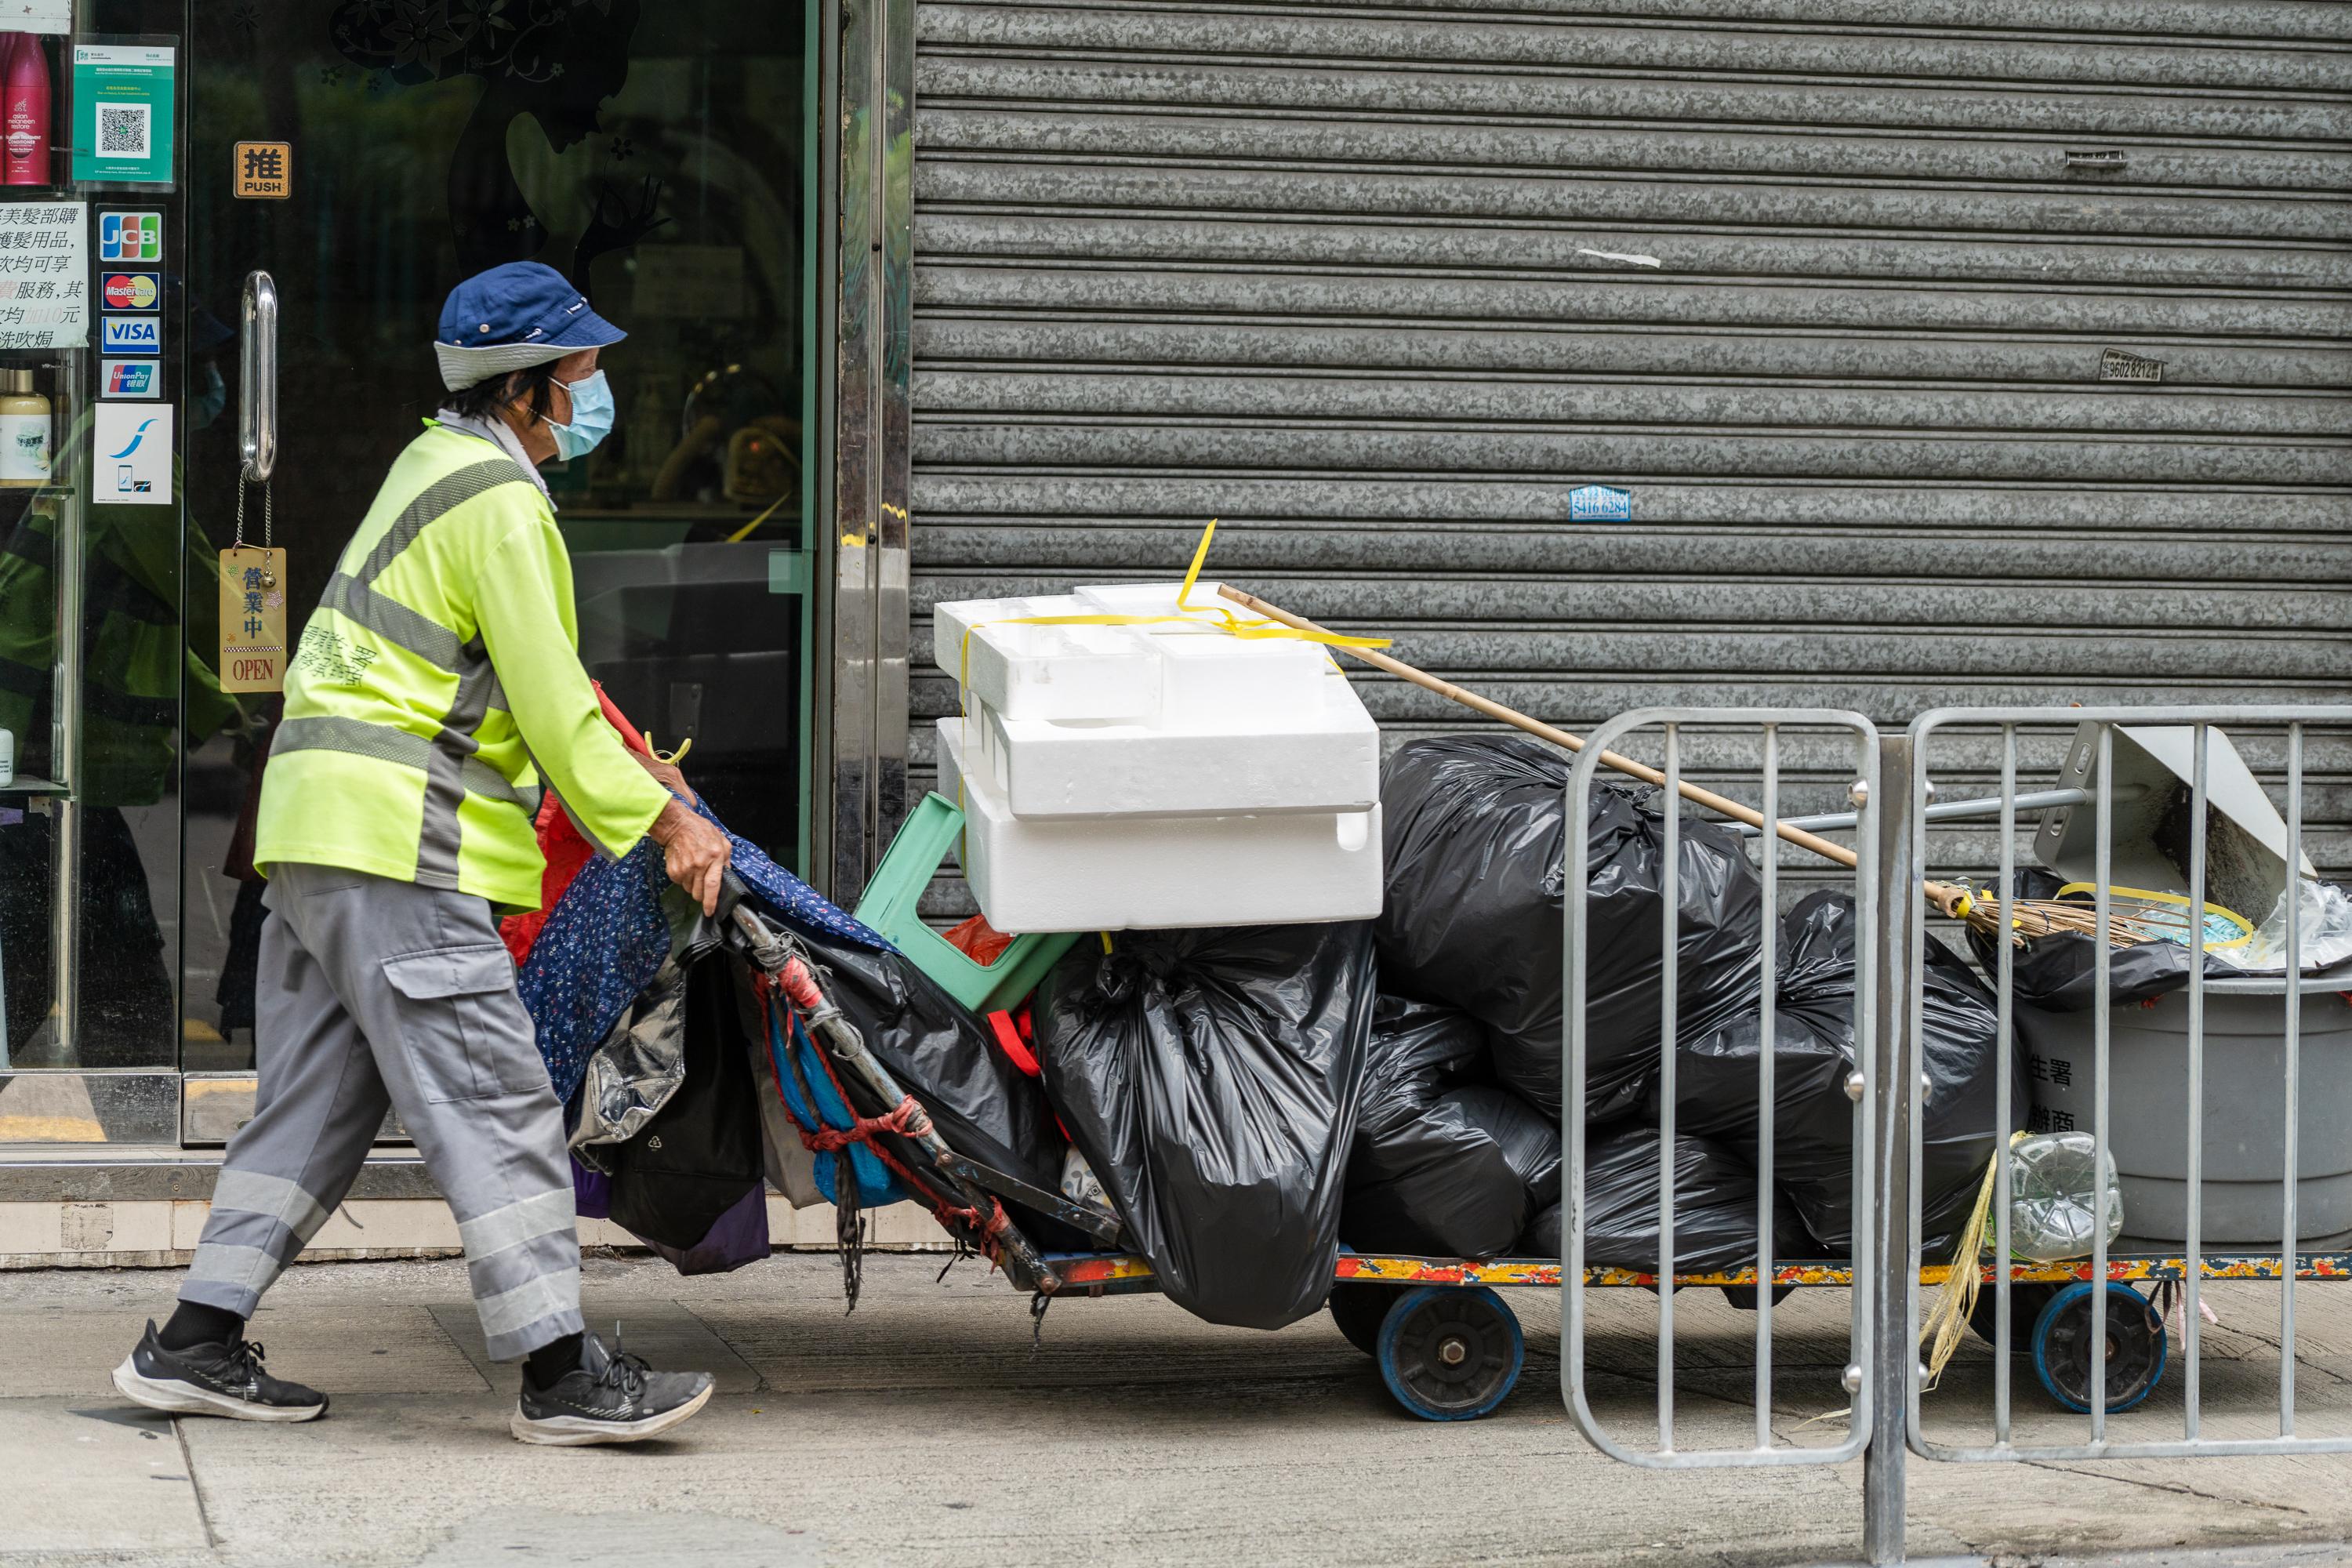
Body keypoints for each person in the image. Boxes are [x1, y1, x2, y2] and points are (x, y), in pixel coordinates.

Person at [111, 262, 735, 1446]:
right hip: (400, 847)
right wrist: (671, 822)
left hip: (314, 834)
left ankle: (194, 1342)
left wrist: (638, 778)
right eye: (581, 367)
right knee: (495, 1101)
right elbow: (553, 705)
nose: (594, 386)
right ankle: (561, 1372)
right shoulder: (500, 503)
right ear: (528, 387)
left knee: (308, 1107)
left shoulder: (430, 469)